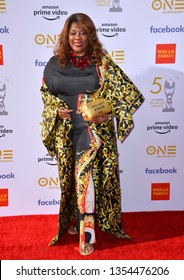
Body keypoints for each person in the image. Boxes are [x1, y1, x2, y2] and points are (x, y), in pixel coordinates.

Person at [40, 13, 144, 256]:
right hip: (66, 134)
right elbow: (46, 95)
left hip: (93, 131)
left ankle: (86, 236)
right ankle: (77, 222)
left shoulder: (101, 63)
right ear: (67, 35)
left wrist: (108, 115)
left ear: (91, 35)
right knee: (71, 181)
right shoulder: (54, 63)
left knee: (85, 180)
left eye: (83, 32)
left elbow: (124, 94)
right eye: (73, 32)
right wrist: (56, 110)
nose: (78, 37)